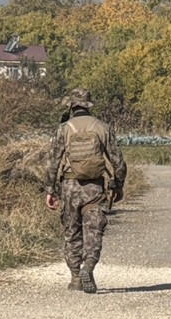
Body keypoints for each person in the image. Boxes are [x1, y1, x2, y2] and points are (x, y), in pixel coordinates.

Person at [45, 88, 127, 294]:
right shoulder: (102, 127)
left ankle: (75, 277)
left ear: (72, 106)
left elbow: (52, 162)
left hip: (70, 187)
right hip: (94, 187)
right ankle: (88, 266)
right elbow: (117, 160)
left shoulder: (64, 128)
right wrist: (118, 184)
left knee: (71, 231)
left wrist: (50, 189)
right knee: (94, 230)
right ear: (89, 105)